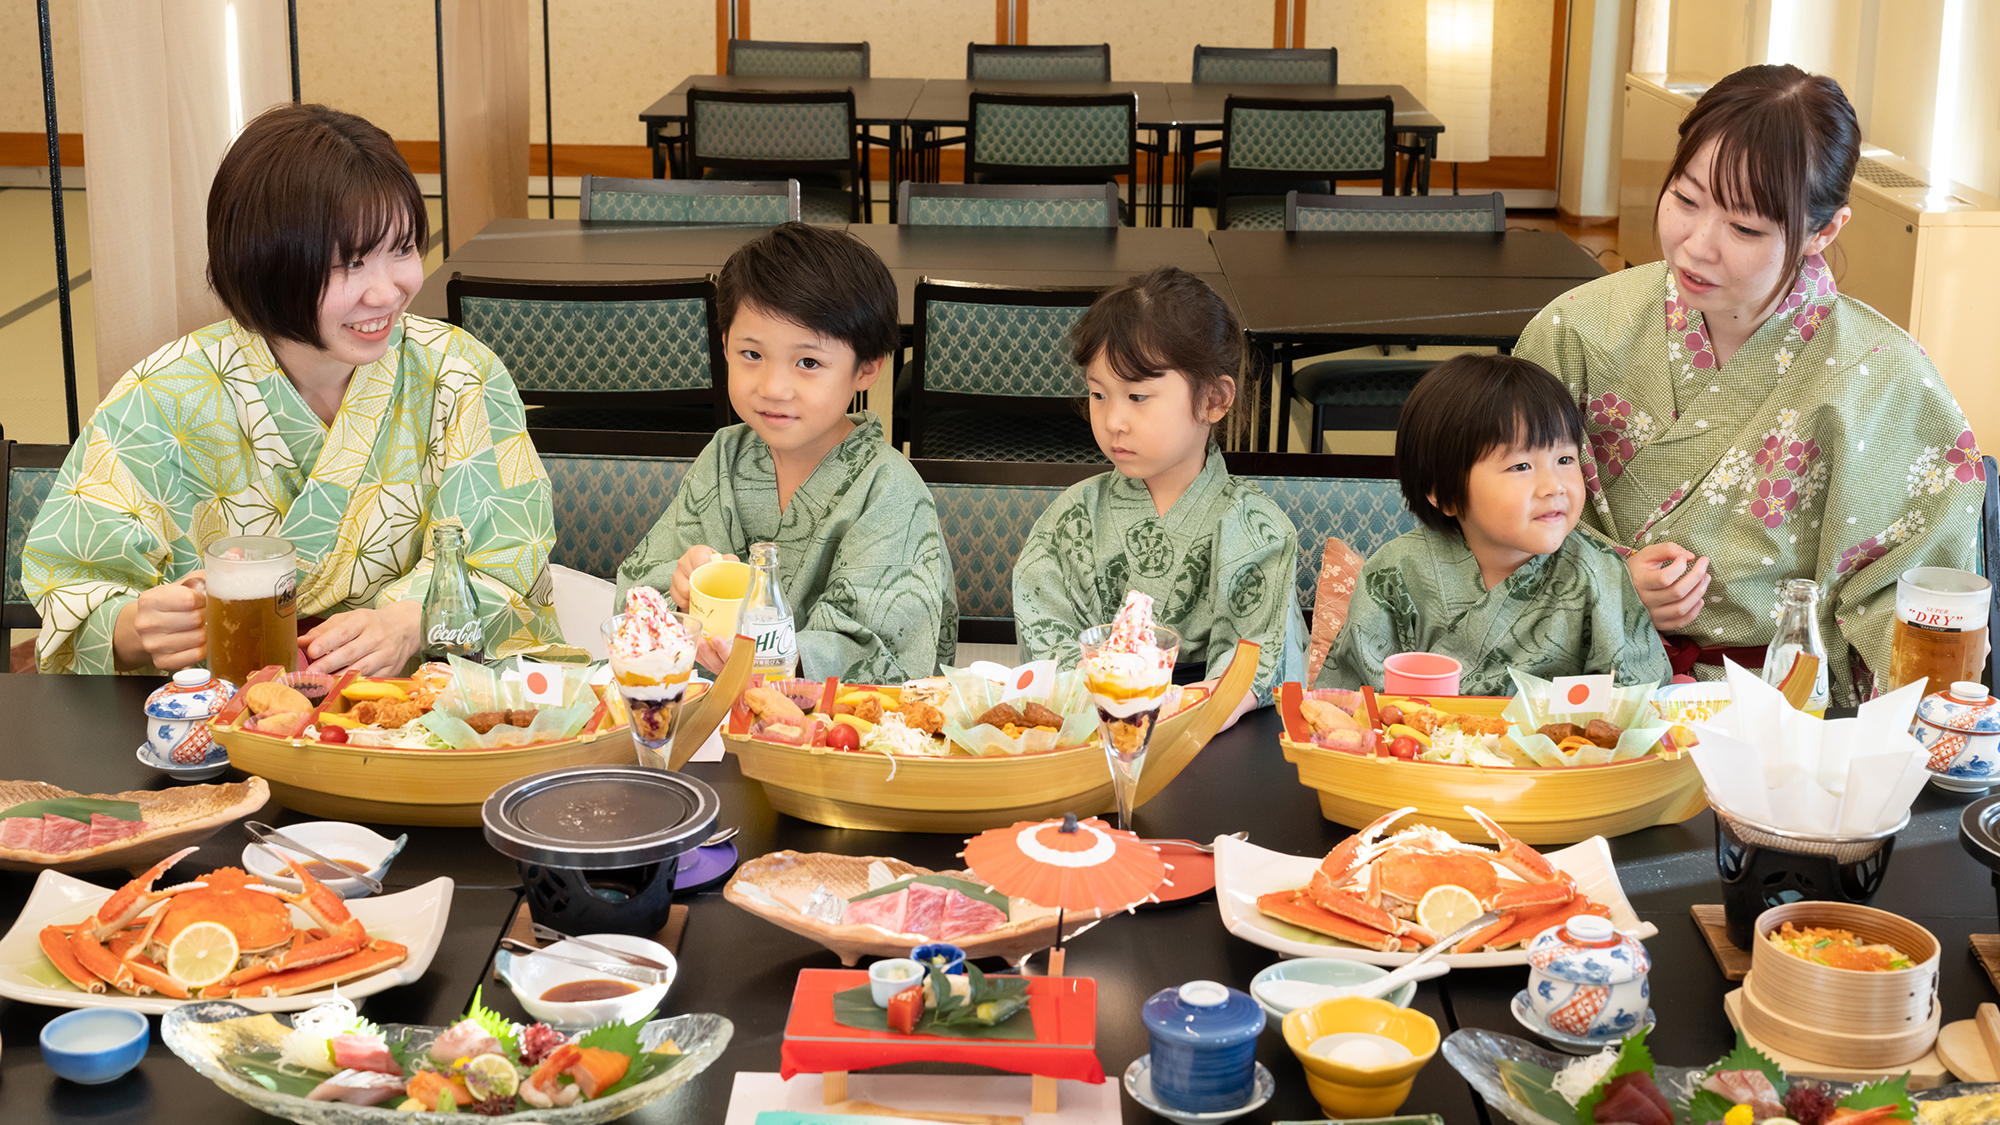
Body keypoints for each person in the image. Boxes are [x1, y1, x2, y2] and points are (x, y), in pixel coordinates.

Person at [22, 103, 560, 676]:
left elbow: (508, 564)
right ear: (268, 263)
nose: (387, 292)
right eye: (350, 263)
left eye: (402, 249)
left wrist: (412, 621)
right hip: (217, 723)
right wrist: (139, 629)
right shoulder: (163, 398)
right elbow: (76, 592)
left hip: (416, 720)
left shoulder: (460, 374)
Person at [1514, 64, 1982, 705]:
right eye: (1685, 199)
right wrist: (1605, 583)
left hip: (1778, 718)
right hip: (1572, 696)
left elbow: (1916, 621)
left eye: (1745, 228)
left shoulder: (1887, 382)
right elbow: (1486, 519)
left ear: (1824, 231)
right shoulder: (1577, 331)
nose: (1696, 245)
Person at [616, 222, 955, 683]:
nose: (774, 388)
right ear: (725, 347)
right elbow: (639, 597)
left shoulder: (888, 490)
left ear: (867, 368)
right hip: (711, 717)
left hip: (835, 733)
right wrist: (681, 592)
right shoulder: (723, 457)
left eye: (809, 362)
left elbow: (883, 652)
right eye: (752, 355)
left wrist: (765, 652)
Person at [1013, 266, 1306, 718]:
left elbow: (1253, 667)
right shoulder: (1072, 519)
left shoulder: (1256, 528)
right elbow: (1048, 643)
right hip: (1092, 729)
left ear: (1214, 399)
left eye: (1138, 397)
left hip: (1211, 731)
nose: (1113, 421)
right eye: (1098, 395)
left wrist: (1176, 709)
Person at [1318, 355, 1669, 695]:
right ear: (1443, 493)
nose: (1554, 486)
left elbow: (1634, 696)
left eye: (1565, 459)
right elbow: (1356, 697)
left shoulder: (1600, 572)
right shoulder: (1395, 571)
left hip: (1556, 753)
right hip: (1420, 748)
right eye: (1521, 466)